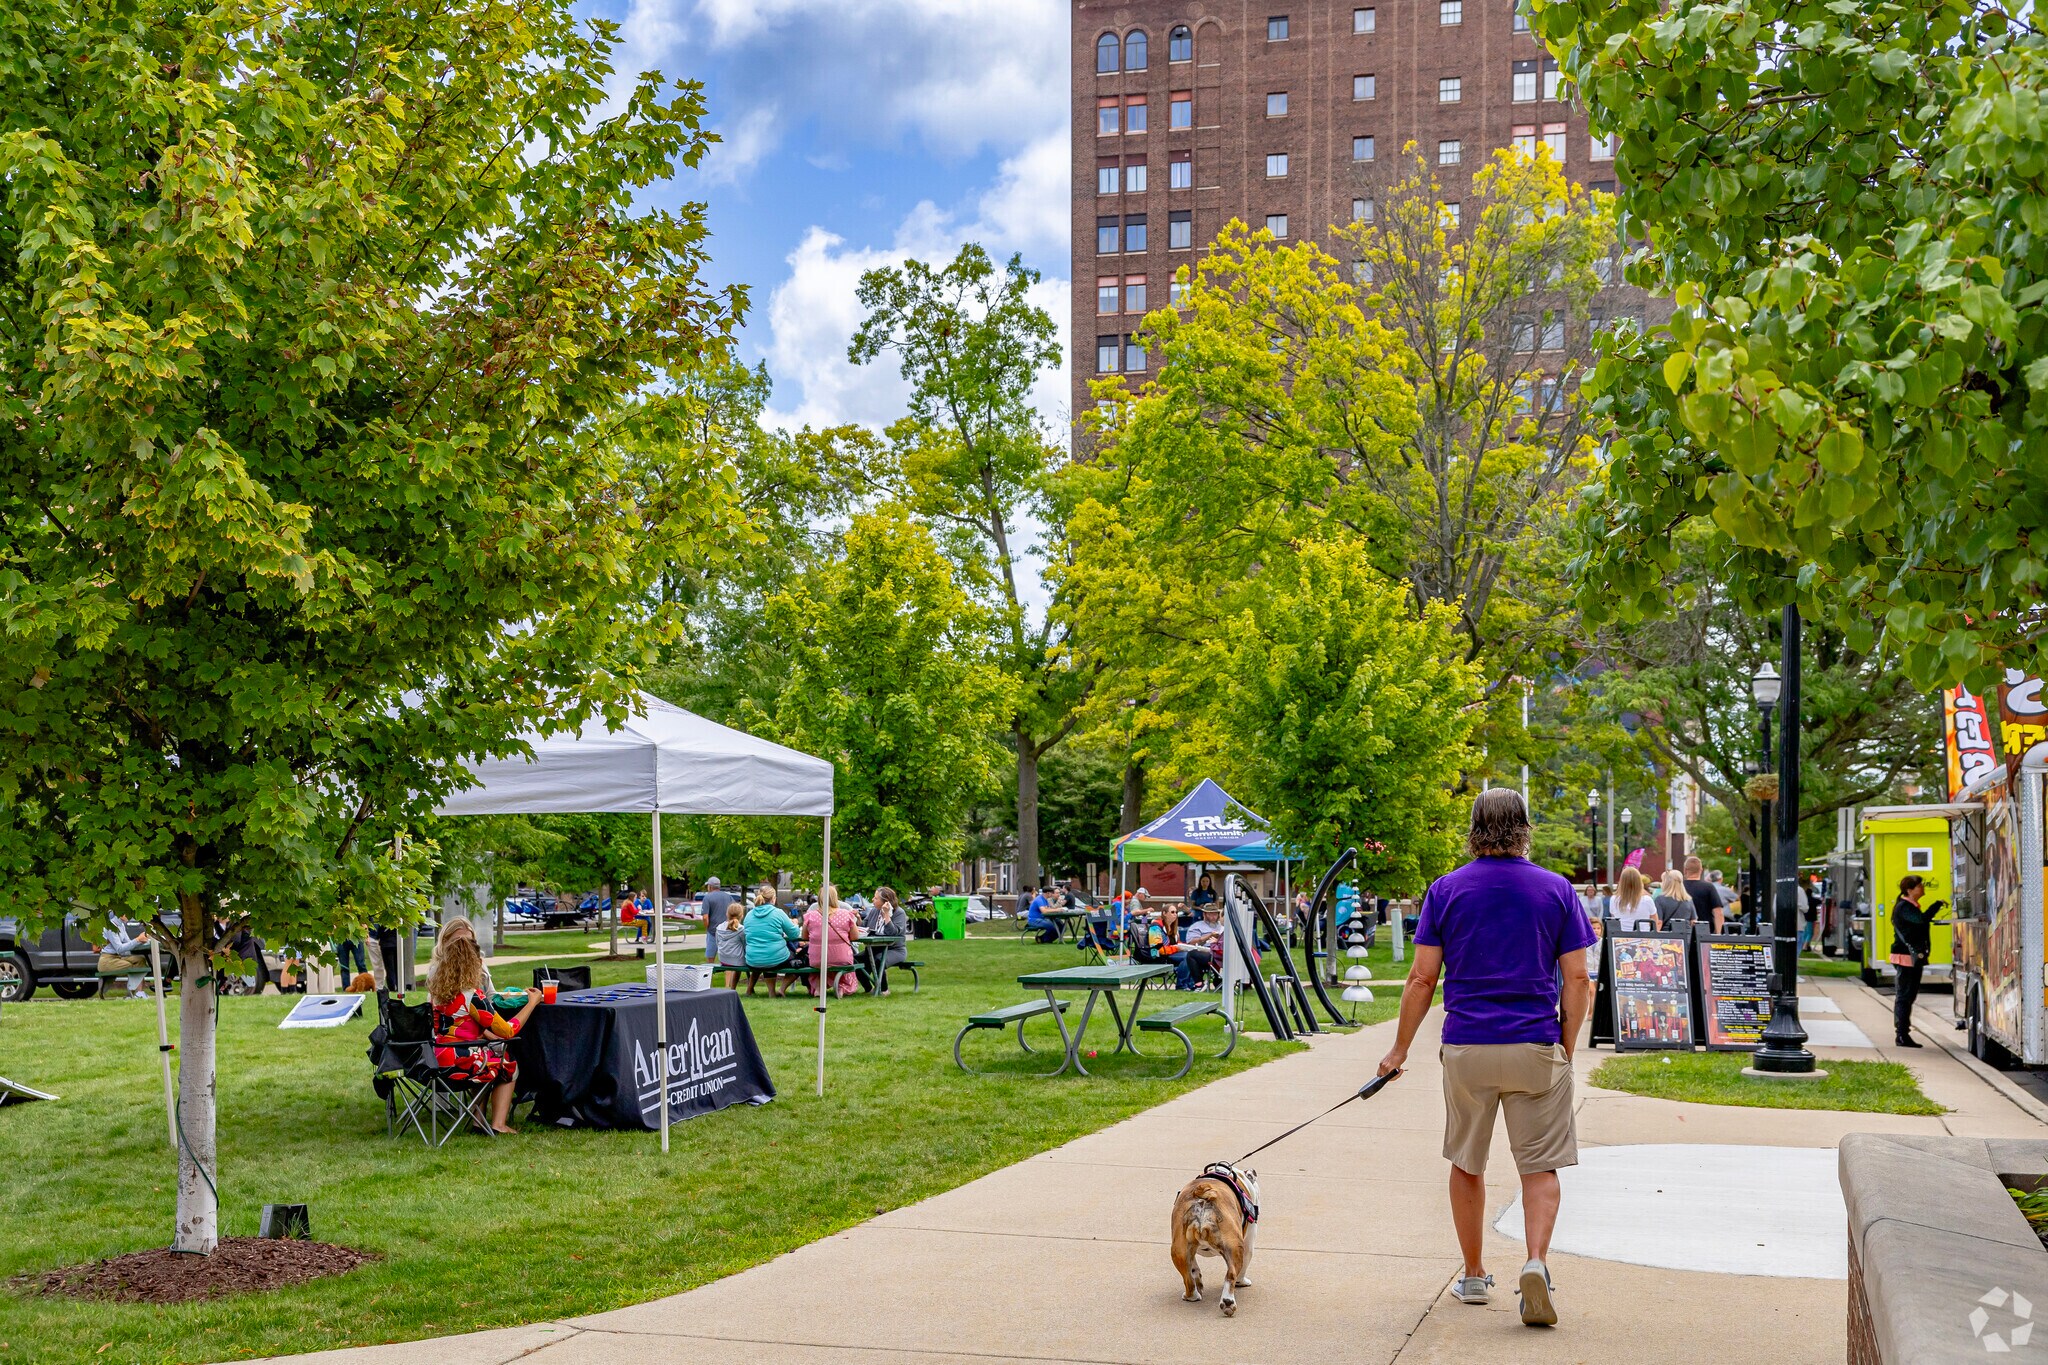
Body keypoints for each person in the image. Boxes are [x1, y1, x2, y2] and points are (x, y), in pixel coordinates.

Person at [1376, 788, 1594, 1328]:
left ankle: (1473, 1276)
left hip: (1468, 1045)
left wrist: (1399, 1049)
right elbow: (1578, 979)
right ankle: (1536, 1262)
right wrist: (1565, 1046)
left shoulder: (1446, 890)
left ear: (1474, 829)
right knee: (1539, 1166)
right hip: (1534, 1044)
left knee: (1467, 1161)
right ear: (1525, 828)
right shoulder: (1557, 890)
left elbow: (1422, 977)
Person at [428, 934, 540, 1134]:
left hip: (437, 1060)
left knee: (485, 1057)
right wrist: (532, 1003)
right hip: (460, 1062)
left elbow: (457, 1024)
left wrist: (483, 1034)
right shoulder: (471, 996)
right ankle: (498, 1124)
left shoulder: (438, 994)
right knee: (507, 1063)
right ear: (474, 963)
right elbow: (507, 1030)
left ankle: (478, 1121)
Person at [1889, 874, 1942, 1048]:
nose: (1923, 888)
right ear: (1909, 890)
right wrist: (1936, 906)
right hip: (1905, 957)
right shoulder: (1904, 907)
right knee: (1905, 996)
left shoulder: (1909, 906)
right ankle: (1902, 1034)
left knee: (1909, 995)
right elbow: (1921, 921)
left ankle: (1903, 1032)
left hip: (1910, 957)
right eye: (1919, 886)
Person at [804, 886, 865, 997]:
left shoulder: (810, 916)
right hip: (841, 957)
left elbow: (804, 936)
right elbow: (855, 937)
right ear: (835, 897)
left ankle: (818, 988)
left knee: (821, 966)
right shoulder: (846, 914)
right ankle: (842, 987)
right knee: (843, 964)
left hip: (817, 958)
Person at [743, 893, 802, 995]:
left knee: (767, 957)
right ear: (773, 899)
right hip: (774, 957)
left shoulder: (749, 915)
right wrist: (795, 924)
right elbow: (794, 934)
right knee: (797, 960)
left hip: (752, 958)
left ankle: (767, 991)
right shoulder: (778, 913)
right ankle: (781, 989)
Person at [427, 914, 494, 996]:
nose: (463, 946)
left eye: (468, 941)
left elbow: (491, 995)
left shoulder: (480, 966)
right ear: (445, 941)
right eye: (457, 941)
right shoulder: (436, 970)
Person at [863, 886, 908, 994]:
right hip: (874, 949)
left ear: (885, 901)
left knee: (878, 960)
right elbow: (864, 926)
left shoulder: (899, 913)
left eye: (876, 898)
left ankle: (884, 990)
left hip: (895, 949)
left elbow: (892, 933)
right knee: (855, 960)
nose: (872, 900)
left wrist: (886, 915)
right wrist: (857, 918)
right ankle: (869, 989)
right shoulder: (874, 911)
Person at [96, 919, 153, 997]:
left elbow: (128, 943)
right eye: (125, 913)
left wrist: (142, 940)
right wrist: (137, 939)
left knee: (140, 959)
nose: (129, 916)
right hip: (107, 960)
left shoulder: (121, 925)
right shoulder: (111, 926)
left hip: (117, 958)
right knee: (131, 966)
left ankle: (139, 993)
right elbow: (119, 949)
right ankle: (131, 993)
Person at [1180, 903, 1226, 989]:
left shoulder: (1222, 926)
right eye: (1210, 914)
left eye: (1215, 914)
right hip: (1206, 951)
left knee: (1191, 955)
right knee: (1192, 954)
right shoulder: (1197, 926)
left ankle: (1213, 982)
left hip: (1222, 952)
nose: (1213, 917)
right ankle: (1199, 983)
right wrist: (1208, 936)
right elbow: (1191, 943)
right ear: (1204, 914)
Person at [1680, 856, 1725, 932]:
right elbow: (1718, 912)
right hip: (1705, 931)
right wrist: (1718, 934)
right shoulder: (1709, 887)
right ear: (1701, 870)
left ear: (1685, 870)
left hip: (1682, 930)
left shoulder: (1679, 887)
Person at [700, 877, 736, 963]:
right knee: (727, 959)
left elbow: (705, 917)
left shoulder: (707, 898)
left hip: (713, 932)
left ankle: (710, 971)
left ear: (710, 886)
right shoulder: (728, 897)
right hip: (726, 931)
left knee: (710, 958)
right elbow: (734, 911)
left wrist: (707, 928)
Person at [1611, 866, 1658, 931]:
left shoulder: (1614, 899)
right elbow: (1654, 921)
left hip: (1621, 935)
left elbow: (1614, 918)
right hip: (1643, 935)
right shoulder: (1647, 900)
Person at [714, 903, 747, 989]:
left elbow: (717, 943)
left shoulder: (719, 927)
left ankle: (732, 988)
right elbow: (745, 945)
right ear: (742, 915)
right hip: (737, 961)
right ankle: (733, 988)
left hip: (723, 959)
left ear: (727, 914)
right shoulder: (741, 929)